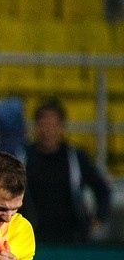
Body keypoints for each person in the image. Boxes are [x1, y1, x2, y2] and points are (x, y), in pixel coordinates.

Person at [21, 99, 113, 242]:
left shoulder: (75, 157)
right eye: (44, 123)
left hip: (73, 238)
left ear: (61, 126)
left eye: (53, 124)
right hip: (34, 236)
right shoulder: (23, 158)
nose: (48, 129)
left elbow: (102, 190)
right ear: (37, 125)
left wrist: (98, 219)